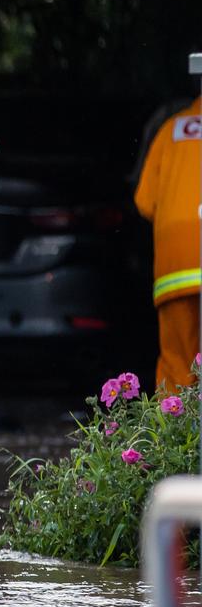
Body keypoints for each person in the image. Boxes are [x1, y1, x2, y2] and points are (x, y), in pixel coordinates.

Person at [136, 96, 202, 393]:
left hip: (176, 265)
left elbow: (144, 202)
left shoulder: (171, 129)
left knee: (178, 367)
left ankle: (175, 437)